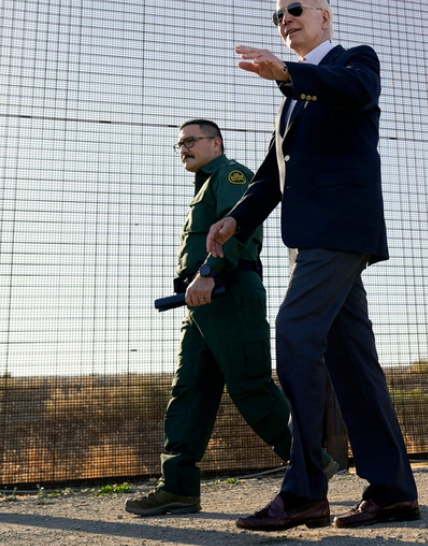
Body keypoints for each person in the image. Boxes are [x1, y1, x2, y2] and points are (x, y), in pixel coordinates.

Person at [205, 0, 419, 531]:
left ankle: (304, 492)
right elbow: (272, 175)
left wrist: (287, 75)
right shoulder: (292, 102)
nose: (285, 20)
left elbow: (354, 91)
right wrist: (235, 220)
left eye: (294, 10)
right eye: (278, 15)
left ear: (324, 16)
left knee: (295, 335)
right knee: (354, 362)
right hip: (313, 238)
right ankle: (393, 490)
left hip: (341, 232)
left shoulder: (352, 63)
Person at [124, 119, 336, 517]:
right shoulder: (204, 183)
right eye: (179, 144)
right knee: (189, 391)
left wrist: (209, 272)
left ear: (215, 143)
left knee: (251, 386)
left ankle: (313, 462)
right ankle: (178, 488)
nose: (183, 148)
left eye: (191, 140)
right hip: (200, 301)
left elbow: (242, 226)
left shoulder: (231, 173)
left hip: (227, 290)